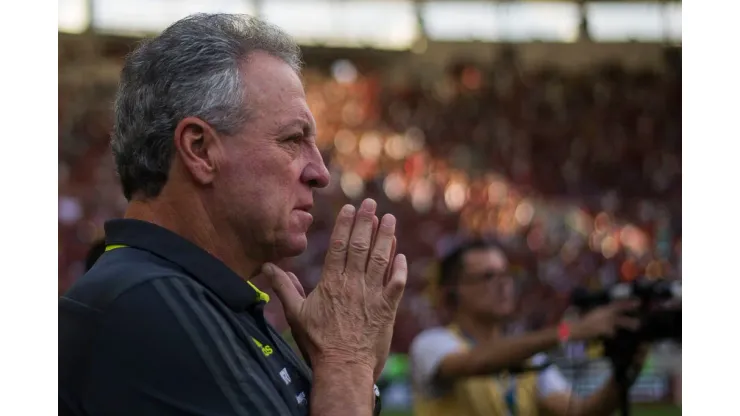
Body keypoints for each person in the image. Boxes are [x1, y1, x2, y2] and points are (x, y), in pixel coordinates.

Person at [58, 13, 407, 416]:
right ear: (200, 149)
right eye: (293, 140)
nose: (320, 172)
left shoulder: (197, 299)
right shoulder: (145, 305)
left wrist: (349, 375)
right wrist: (348, 364)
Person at [409, 239, 646, 416]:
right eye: (488, 276)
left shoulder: (530, 358)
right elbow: (476, 362)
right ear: (453, 291)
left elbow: (580, 411)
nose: (503, 284)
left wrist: (627, 369)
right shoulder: (431, 343)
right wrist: (568, 331)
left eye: (507, 274)